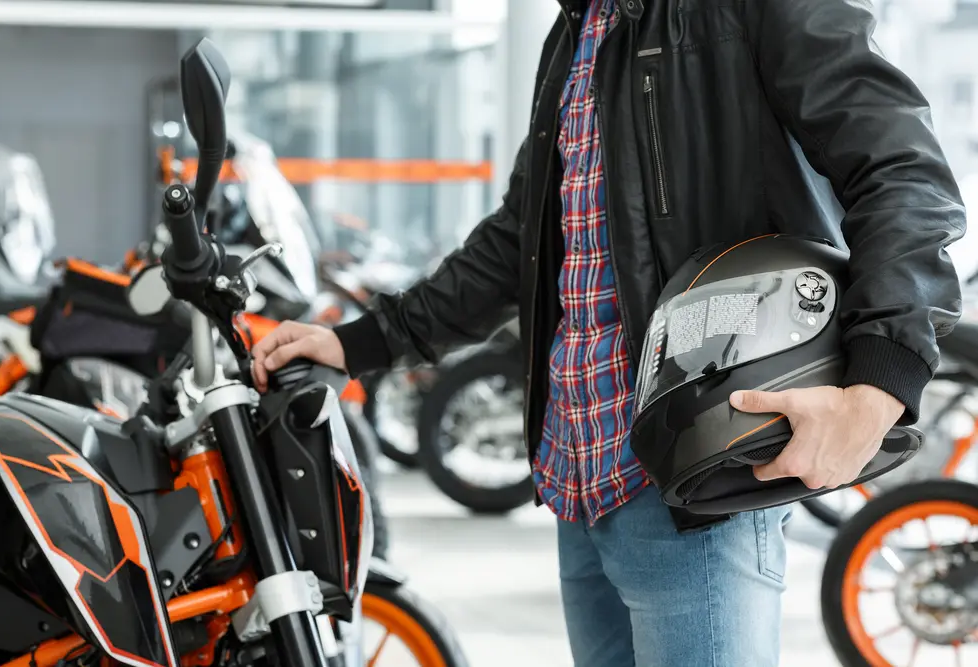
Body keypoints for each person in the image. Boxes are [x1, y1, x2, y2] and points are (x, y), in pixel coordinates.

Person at [252, 0, 965, 665]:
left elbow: (905, 173)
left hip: (700, 473)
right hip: (581, 477)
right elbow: (524, 236)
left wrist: (878, 383)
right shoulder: (579, 28)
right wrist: (363, 340)